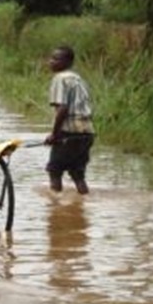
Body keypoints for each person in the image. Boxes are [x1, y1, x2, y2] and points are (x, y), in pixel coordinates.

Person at [44, 45, 95, 194]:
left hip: (70, 132)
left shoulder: (60, 78)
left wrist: (54, 134)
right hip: (87, 133)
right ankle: (82, 204)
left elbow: (63, 108)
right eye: (51, 58)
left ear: (67, 62)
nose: (51, 61)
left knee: (54, 170)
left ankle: (55, 209)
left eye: (56, 59)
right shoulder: (78, 79)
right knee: (78, 174)